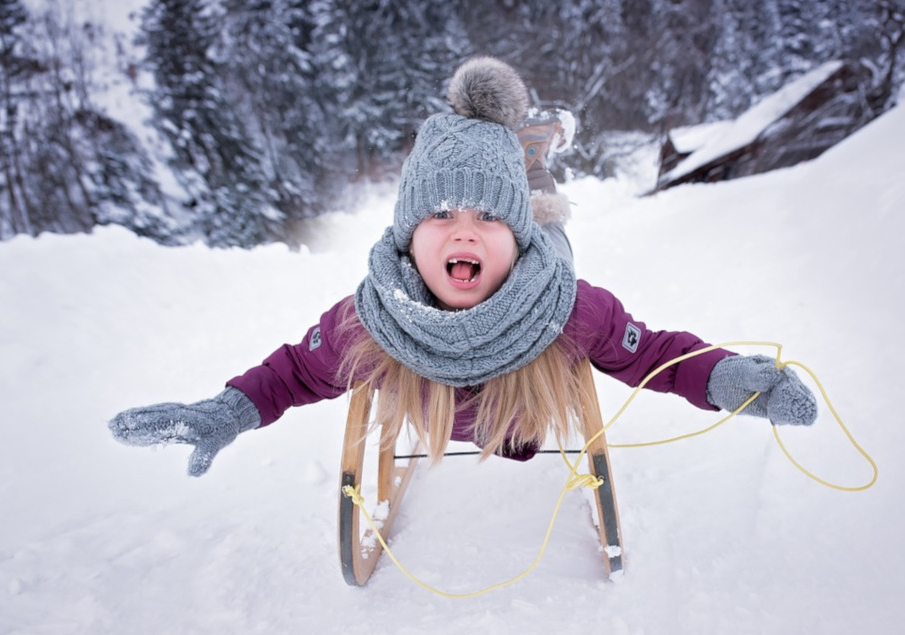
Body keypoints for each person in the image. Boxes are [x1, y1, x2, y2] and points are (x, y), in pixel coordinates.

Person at [109, 57, 817, 477]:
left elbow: (657, 356)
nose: (463, 233)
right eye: (440, 216)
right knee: (511, 194)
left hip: (532, 276)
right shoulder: (373, 318)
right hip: (491, 272)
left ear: (512, 238)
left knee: (541, 206)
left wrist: (731, 381)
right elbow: (295, 371)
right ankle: (520, 156)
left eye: (485, 220)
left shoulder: (567, 309)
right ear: (408, 236)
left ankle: (528, 164)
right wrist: (226, 411)